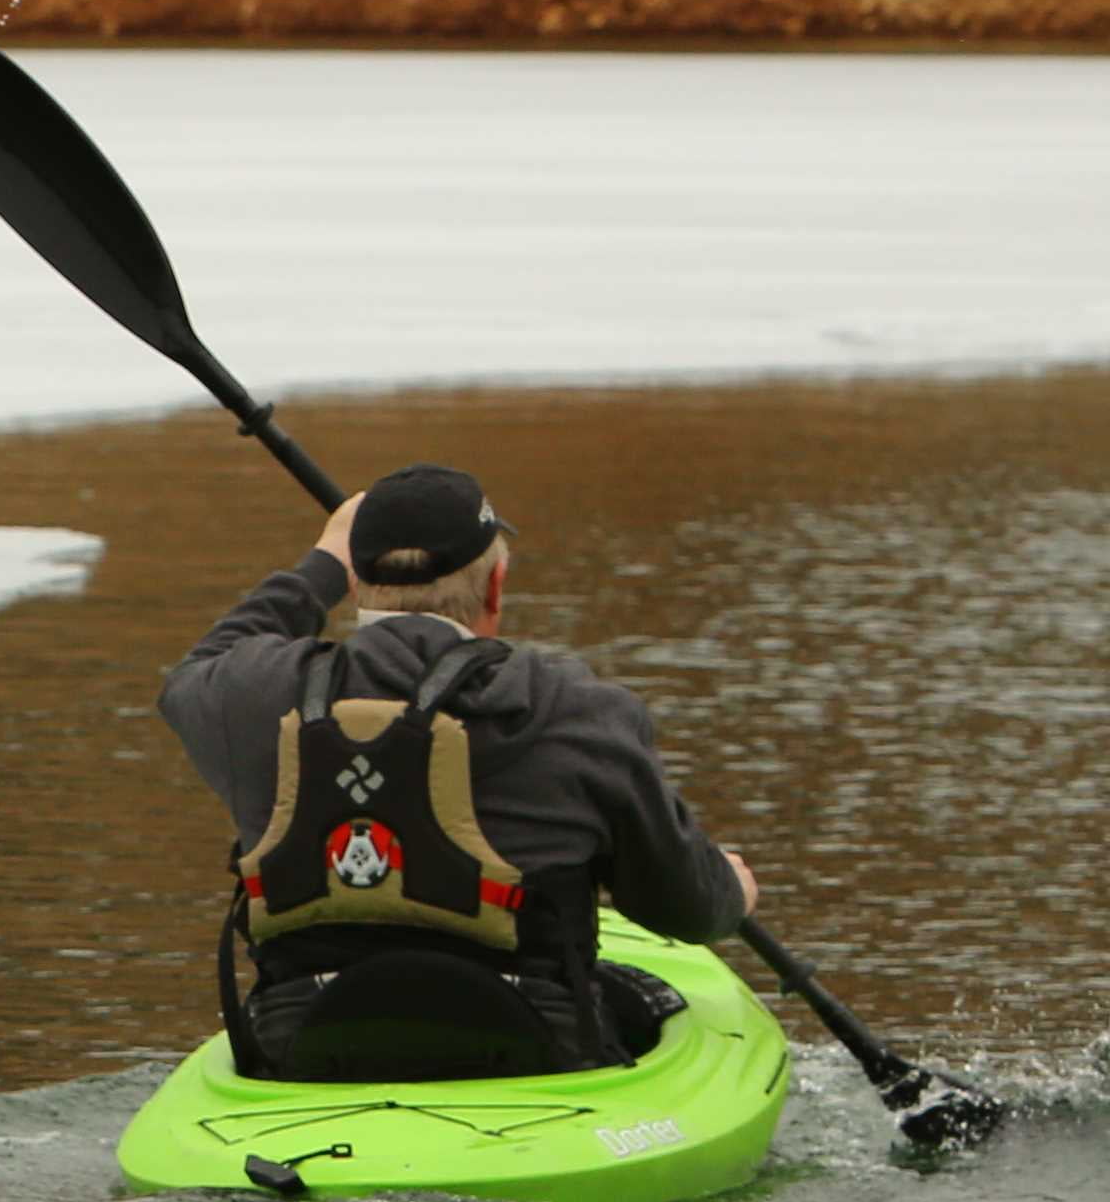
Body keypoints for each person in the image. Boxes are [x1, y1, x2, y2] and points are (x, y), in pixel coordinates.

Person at [161, 462, 757, 1080]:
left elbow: (200, 665)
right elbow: (681, 910)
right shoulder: (583, 713)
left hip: (302, 1041)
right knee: (652, 1002)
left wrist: (321, 566)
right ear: (495, 586)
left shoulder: (249, 698)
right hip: (537, 1052)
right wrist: (730, 895)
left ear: (358, 582)